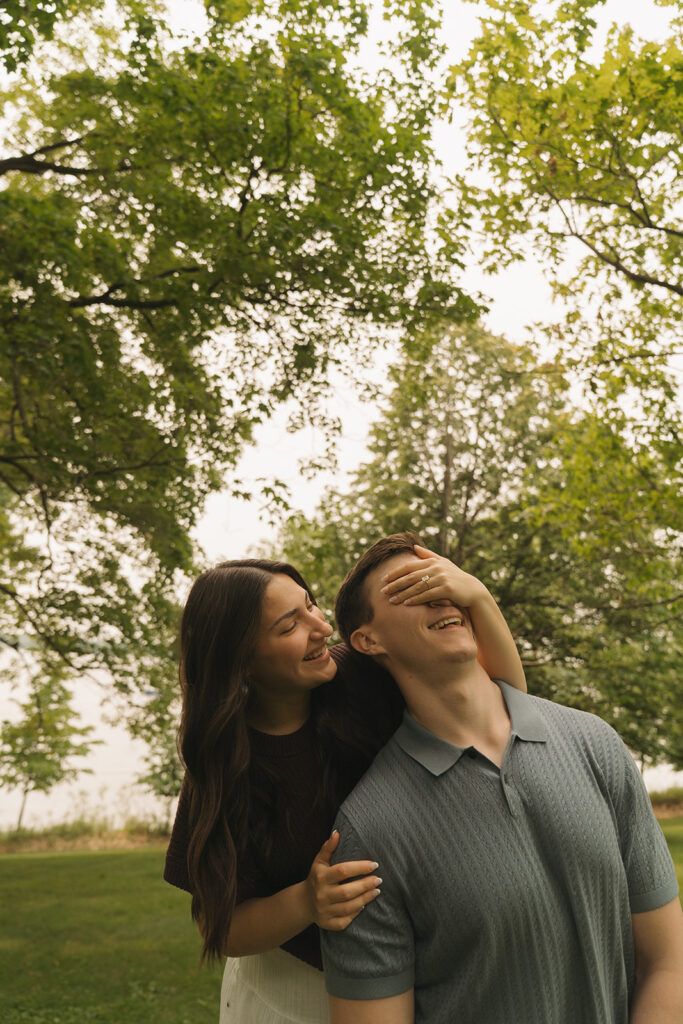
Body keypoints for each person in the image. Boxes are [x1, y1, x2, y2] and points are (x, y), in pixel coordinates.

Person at [321, 531, 683, 1024]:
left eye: (445, 579)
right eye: (409, 587)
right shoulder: (368, 830)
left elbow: (667, 961)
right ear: (368, 640)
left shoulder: (596, 743)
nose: (441, 594)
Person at [164, 543, 527, 1024]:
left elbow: (506, 701)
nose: (322, 628)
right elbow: (222, 928)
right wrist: (306, 901)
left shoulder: (357, 676)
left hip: (412, 974)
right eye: (290, 625)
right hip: (292, 990)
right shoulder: (226, 767)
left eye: (309, 604)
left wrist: (479, 599)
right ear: (242, 663)